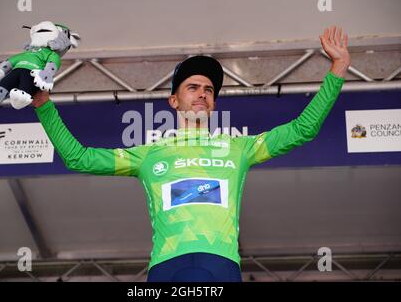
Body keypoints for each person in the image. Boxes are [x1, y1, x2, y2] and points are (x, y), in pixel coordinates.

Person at [32, 26, 350, 282]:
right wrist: (43, 104)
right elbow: (78, 158)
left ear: (213, 103)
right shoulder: (149, 154)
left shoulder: (239, 148)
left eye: (209, 90)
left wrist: (338, 69)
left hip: (222, 265)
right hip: (166, 266)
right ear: (174, 101)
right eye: (193, 88)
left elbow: (302, 130)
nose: (202, 94)